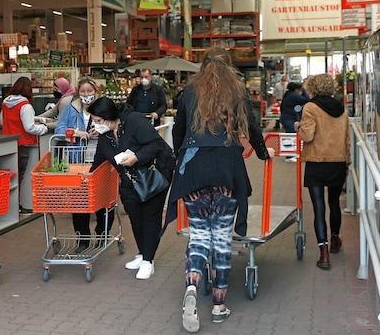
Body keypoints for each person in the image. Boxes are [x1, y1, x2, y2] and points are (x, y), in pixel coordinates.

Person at [166, 47, 274, 332]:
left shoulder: (189, 92)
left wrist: (181, 156)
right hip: (227, 166)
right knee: (222, 239)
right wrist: (263, 153)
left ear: (203, 65)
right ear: (229, 66)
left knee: (199, 234)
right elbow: (251, 127)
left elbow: (179, 129)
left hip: (193, 168)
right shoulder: (237, 90)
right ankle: (218, 306)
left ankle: (191, 288)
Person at [87, 97, 175, 280]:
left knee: (150, 216)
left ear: (109, 116)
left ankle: (148, 261)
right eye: (94, 121)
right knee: (135, 215)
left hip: (153, 174)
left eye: (99, 121)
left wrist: (137, 157)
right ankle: (143, 254)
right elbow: (99, 158)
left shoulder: (134, 121)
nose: (97, 125)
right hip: (129, 179)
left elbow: (156, 144)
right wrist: (88, 177)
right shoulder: (106, 136)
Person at [294, 74, 351, 270]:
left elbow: (307, 136)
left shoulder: (310, 107)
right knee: (334, 203)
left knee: (319, 208)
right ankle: (335, 239)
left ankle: (323, 253)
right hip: (337, 161)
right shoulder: (342, 109)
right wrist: (347, 162)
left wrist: (299, 128)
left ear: (313, 88)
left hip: (316, 162)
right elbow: (346, 138)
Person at [55, 77, 114, 253]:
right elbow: (59, 130)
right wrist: (74, 132)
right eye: (83, 92)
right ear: (78, 93)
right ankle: (83, 239)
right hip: (78, 162)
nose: (86, 95)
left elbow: (116, 126)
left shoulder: (104, 108)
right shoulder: (71, 109)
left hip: (101, 161)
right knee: (79, 201)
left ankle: (102, 234)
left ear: (96, 92)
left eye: (90, 92)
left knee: (104, 200)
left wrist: (103, 128)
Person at [0, 76, 48, 215]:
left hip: (7, 143)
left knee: (10, 178)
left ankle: (9, 207)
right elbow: (29, 128)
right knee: (20, 177)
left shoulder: (5, 103)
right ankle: (18, 207)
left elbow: (3, 122)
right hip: (23, 143)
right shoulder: (25, 106)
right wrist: (43, 128)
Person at [280, 82, 310, 163]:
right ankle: (289, 156)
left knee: (289, 136)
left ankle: (289, 154)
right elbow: (306, 100)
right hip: (289, 118)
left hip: (286, 117)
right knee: (291, 136)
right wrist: (304, 91)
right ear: (296, 89)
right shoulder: (293, 96)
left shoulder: (287, 95)